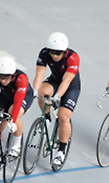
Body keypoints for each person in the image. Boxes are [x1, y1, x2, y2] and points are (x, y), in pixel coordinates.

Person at [31, 32, 81, 166]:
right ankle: (46, 119)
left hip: (70, 86)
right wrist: (34, 91)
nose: (54, 55)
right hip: (54, 81)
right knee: (42, 91)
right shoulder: (44, 53)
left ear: (64, 52)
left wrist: (57, 96)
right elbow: (39, 74)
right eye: (52, 52)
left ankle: (61, 151)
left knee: (63, 116)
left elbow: (66, 81)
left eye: (58, 53)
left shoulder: (73, 58)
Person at [0, 56, 33, 156]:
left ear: (12, 75)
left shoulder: (21, 78)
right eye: (0, 77)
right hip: (6, 96)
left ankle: (16, 145)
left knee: (12, 113)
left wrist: (13, 120)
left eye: (6, 78)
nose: (3, 81)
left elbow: (18, 101)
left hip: (23, 97)